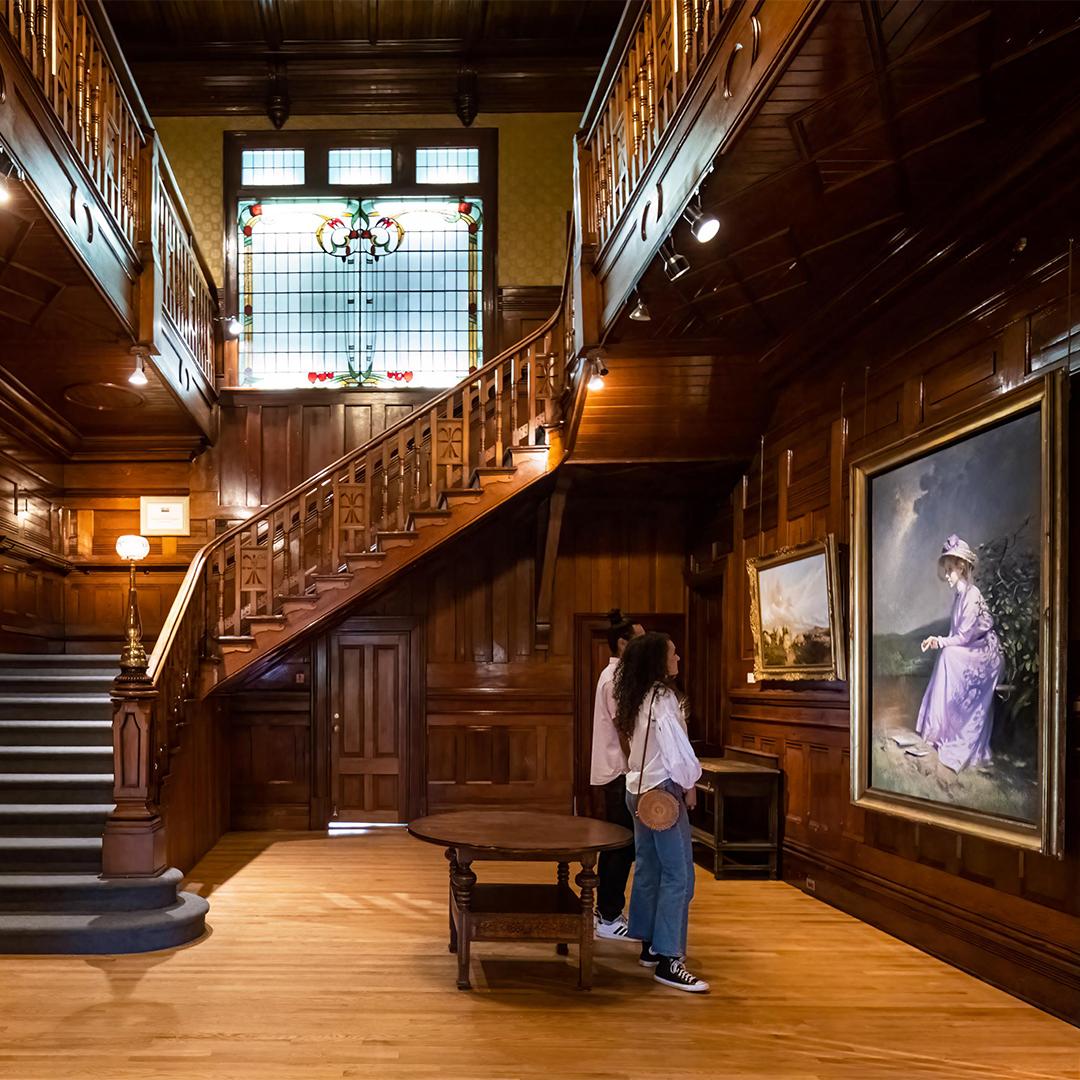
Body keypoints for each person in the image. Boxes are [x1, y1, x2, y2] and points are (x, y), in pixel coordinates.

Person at [614, 631, 708, 993]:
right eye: (673, 653)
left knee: (649, 866)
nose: (678, 659)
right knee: (679, 873)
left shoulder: (635, 696)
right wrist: (689, 784)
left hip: (636, 790)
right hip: (662, 792)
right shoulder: (665, 699)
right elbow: (677, 752)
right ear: (658, 660)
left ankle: (649, 945)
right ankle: (670, 959)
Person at [916, 534, 1004, 773]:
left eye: (950, 570)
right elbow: (958, 635)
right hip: (970, 648)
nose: (946, 575)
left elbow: (964, 637)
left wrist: (940, 642)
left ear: (962, 567)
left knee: (948, 655)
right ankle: (939, 729)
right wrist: (939, 641)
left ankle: (949, 730)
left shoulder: (972, 594)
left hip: (985, 654)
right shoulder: (960, 597)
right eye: (945, 570)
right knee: (947, 655)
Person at [590, 609, 644, 940]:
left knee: (621, 845)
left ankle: (606, 910)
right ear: (623, 644)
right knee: (620, 845)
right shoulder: (616, 679)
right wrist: (637, 768)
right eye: (640, 639)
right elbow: (624, 730)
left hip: (620, 772)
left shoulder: (621, 675)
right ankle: (608, 915)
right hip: (618, 772)